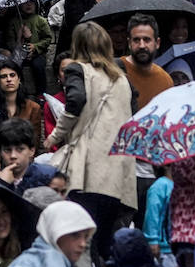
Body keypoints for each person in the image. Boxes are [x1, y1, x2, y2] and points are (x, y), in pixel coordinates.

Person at [46, 23, 138, 250]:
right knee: (105, 241)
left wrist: (55, 136)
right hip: (118, 174)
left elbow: (76, 101)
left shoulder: (77, 70)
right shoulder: (122, 79)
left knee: (83, 242)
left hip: (87, 172)